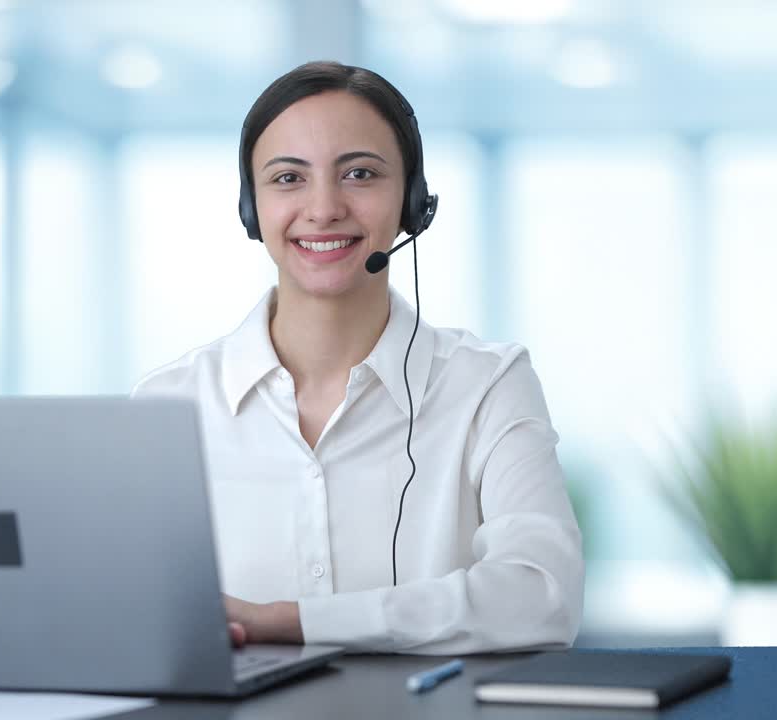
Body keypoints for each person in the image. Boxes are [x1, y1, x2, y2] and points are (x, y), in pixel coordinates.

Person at [131, 60, 584, 655]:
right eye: (288, 178)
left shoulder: (488, 384)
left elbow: (542, 597)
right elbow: (134, 615)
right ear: (251, 207)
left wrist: (292, 621)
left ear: (413, 202)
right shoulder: (169, 403)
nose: (323, 209)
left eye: (360, 174)